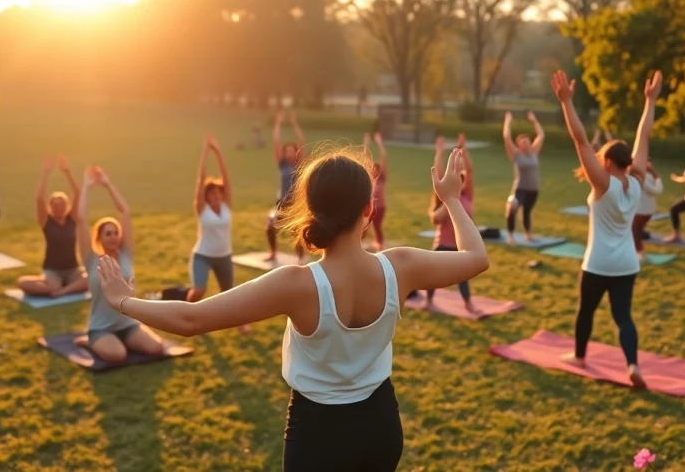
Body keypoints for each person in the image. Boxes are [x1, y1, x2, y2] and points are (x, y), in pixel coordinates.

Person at [92, 146, 490, 471]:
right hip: (380, 427)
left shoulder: (297, 285)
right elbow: (476, 258)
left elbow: (190, 319)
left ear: (312, 209)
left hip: (318, 435)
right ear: (368, 210)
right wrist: (452, 200)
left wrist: (122, 301)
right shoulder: (400, 266)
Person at [552, 69, 661, 389]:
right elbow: (644, 137)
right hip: (628, 263)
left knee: (586, 311)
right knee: (623, 317)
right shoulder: (638, 182)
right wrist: (650, 101)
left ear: (610, 162)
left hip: (598, 263)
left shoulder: (603, 184)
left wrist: (565, 103)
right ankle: (632, 365)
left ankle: (580, 356)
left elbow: (580, 139)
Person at [77, 166, 164, 363]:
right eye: (108, 234)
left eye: (116, 233)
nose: (113, 237)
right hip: (100, 326)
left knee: (157, 348)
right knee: (118, 356)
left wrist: (107, 184)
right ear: (99, 238)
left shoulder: (125, 255)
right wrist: (86, 187)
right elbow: (81, 220)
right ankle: (91, 340)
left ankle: (120, 341)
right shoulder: (91, 259)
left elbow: (124, 211)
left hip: (127, 323)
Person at [17, 155, 87, 297]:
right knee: (23, 282)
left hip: (73, 269)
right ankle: (56, 285)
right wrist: (45, 173)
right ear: (50, 207)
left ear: (66, 206)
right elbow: (39, 198)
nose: (58, 208)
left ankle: (63, 290)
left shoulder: (71, 219)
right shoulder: (46, 222)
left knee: (92, 278)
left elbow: (78, 193)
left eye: (62, 204)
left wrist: (67, 172)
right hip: (53, 270)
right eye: (55, 205)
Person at [423, 135, 478, 313]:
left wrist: (463, 150)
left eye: (462, 181)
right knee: (432, 274)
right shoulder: (444, 200)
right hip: (442, 244)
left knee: (463, 277)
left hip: (461, 245)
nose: (461, 183)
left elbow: (470, 171)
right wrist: (439, 151)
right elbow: (438, 174)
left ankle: (468, 303)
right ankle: (429, 300)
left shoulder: (468, 195)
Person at [598, 128, 664, 261]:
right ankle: (637, 252)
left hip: (643, 210)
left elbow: (656, 190)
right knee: (635, 231)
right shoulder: (640, 178)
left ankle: (640, 253)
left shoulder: (640, 179)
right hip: (644, 210)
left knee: (635, 231)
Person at [187, 137, 237, 305]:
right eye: (212, 194)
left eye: (219, 193)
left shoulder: (226, 206)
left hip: (224, 255)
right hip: (203, 255)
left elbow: (226, 178)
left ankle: (239, 324)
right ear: (206, 197)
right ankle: (187, 313)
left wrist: (218, 152)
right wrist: (205, 154)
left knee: (229, 294)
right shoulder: (202, 209)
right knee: (199, 291)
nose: (216, 196)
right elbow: (200, 180)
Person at [267, 109, 307, 265]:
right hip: (282, 202)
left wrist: (293, 123)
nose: (290, 153)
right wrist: (277, 123)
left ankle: (301, 258)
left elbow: (301, 141)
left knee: (297, 231)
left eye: (292, 151)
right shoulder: (282, 164)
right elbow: (275, 142)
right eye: (287, 151)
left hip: (296, 203)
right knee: (270, 226)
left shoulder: (299, 164)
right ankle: (273, 253)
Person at [502, 111, 545, 244]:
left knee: (526, 212)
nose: (526, 144)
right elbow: (506, 137)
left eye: (527, 141)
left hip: (533, 189)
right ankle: (510, 235)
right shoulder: (516, 155)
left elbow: (541, 135)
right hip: (520, 188)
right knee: (513, 208)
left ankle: (528, 234)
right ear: (519, 145)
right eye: (523, 142)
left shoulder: (534, 152)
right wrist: (508, 121)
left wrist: (534, 120)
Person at [363, 132, 389, 252]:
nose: (374, 170)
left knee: (377, 227)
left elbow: (384, 158)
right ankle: (358, 247)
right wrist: (366, 142)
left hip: (380, 207)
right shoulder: (368, 178)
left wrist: (379, 143)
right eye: (372, 168)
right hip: (368, 207)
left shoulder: (382, 177)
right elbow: (364, 158)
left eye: (376, 169)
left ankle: (380, 247)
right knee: (363, 228)